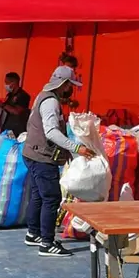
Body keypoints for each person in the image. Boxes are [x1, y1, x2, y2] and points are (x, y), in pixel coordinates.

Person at [22, 66, 95, 258]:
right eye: (70, 85)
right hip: (41, 157)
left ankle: (33, 233)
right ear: (63, 84)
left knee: (38, 195)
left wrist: (64, 151)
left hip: (32, 153)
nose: (71, 89)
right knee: (51, 198)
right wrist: (76, 148)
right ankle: (47, 243)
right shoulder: (51, 102)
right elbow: (51, 132)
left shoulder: (42, 95)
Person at [0, 72, 31, 137]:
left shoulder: (23, 96)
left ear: (13, 83)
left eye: (7, 83)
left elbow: (17, 111)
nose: (5, 85)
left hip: (17, 129)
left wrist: (2, 105)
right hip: (6, 127)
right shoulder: (9, 95)